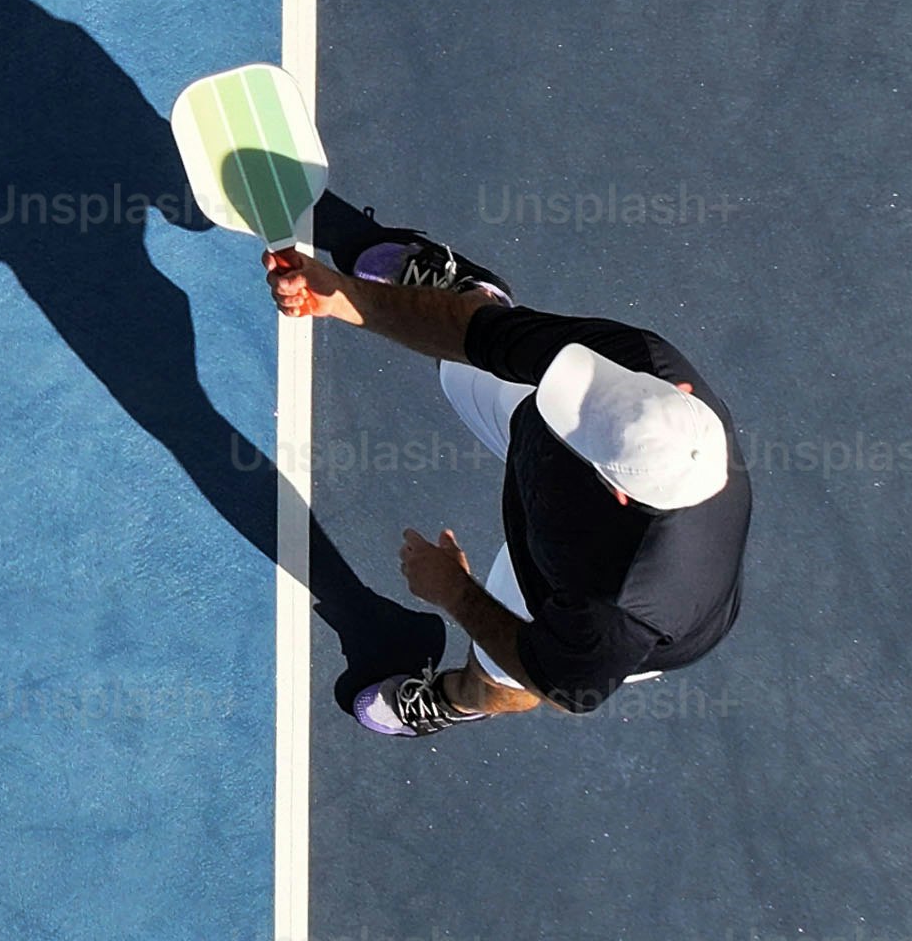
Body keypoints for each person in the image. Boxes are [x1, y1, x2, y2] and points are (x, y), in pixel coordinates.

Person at [264, 209, 749, 738]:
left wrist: (454, 592)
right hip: (534, 452)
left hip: (559, 581)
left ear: (618, 491)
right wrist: (343, 298)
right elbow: (471, 336)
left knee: (499, 677)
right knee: (468, 355)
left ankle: (453, 701)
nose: (578, 391)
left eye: (582, 415)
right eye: (592, 392)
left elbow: (559, 687)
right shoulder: (639, 359)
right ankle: (476, 293)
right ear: (675, 394)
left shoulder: (617, 613)